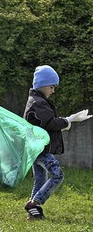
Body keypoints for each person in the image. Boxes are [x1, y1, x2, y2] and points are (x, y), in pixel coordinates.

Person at [22, 65, 90, 220]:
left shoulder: (36, 100)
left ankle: (33, 213)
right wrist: (68, 120)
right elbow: (51, 123)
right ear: (43, 85)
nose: (53, 91)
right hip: (41, 150)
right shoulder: (38, 102)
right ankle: (35, 203)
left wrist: (67, 122)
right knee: (57, 175)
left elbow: (45, 123)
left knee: (40, 179)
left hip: (34, 148)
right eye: (52, 87)